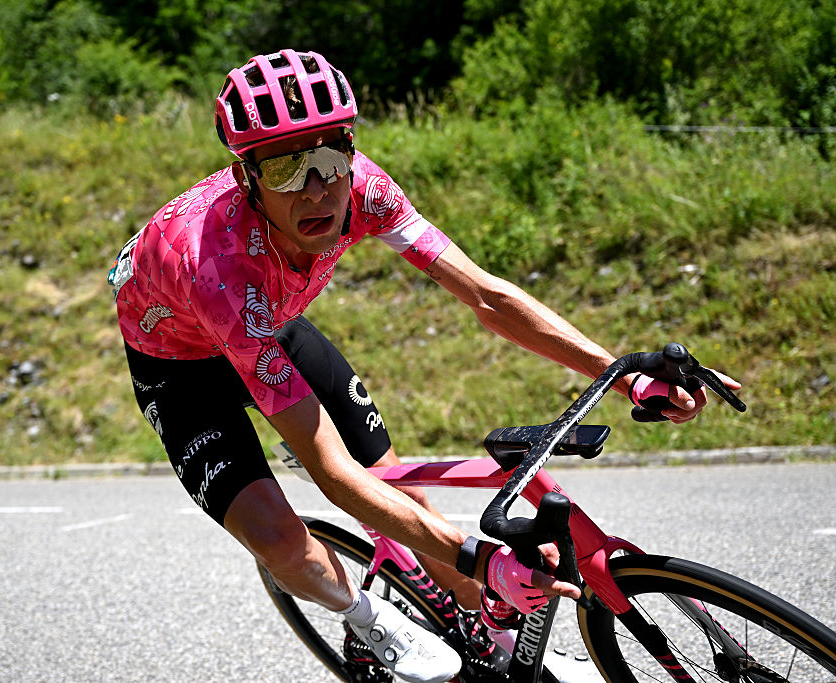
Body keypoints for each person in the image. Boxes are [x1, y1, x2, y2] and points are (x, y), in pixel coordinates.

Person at [108, 49, 740, 683]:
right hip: (183, 360)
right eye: (286, 168)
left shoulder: (364, 192)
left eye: (331, 155)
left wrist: (621, 371)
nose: (318, 188)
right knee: (279, 541)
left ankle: (497, 636)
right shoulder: (219, 268)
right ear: (247, 178)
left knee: (393, 485)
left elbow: (488, 297)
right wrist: (481, 560)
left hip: (269, 325)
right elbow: (329, 471)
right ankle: (367, 620)